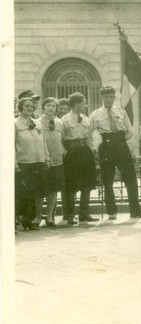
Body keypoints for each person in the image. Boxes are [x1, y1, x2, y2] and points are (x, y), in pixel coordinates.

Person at [89, 86, 141, 219]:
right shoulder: (96, 114)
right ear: (101, 98)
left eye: (111, 97)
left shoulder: (121, 111)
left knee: (131, 178)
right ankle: (111, 211)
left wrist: (120, 142)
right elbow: (88, 134)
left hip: (121, 144)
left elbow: (129, 132)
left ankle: (135, 211)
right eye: (106, 97)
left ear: (114, 98)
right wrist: (95, 150)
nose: (109, 99)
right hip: (106, 146)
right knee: (107, 180)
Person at [61, 93, 98, 225]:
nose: (86, 105)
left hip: (85, 153)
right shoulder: (64, 120)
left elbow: (89, 137)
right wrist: (65, 153)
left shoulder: (86, 119)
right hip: (72, 153)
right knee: (71, 184)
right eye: (83, 103)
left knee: (87, 183)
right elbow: (60, 139)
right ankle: (70, 214)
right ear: (76, 104)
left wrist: (93, 151)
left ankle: (84, 213)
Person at [15, 98, 49, 230]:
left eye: (32, 106)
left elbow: (43, 142)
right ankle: (23, 219)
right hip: (24, 162)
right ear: (20, 108)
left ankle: (30, 219)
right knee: (25, 192)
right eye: (27, 106)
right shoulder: (15, 124)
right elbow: (11, 144)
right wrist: (15, 163)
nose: (30, 108)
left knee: (36, 192)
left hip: (38, 161)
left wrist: (46, 158)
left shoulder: (37, 123)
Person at [40, 97, 65, 227]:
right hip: (43, 160)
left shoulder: (59, 122)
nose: (51, 108)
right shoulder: (38, 122)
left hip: (57, 161)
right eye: (48, 105)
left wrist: (62, 151)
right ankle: (37, 217)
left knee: (53, 190)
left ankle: (49, 217)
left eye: (53, 106)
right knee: (41, 190)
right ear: (43, 107)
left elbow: (62, 139)